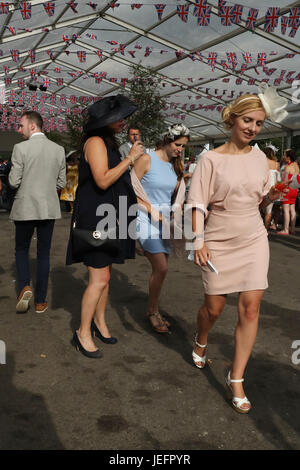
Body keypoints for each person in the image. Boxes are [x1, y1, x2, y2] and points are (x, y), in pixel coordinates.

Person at [188, 89, 288, 414]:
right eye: (248, 120)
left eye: (259, 123)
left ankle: (236, 377)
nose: (253, 128)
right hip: (217, 240)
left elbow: (260, 200)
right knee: (214, 309)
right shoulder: (210, 159)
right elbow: (197, 203)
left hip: (253, 237)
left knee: (250, 309)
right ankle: (201, 337)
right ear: (233, 118)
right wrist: (198, 241)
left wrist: (272, 194)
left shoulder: (261, 157)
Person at [66, 94, 144, 359]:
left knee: (105, 276)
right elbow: (102, 180)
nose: (123, 122)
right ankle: (82, 332)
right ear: (106, 121)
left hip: (107, 216)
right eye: (119, 118)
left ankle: (99, 323)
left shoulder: (106, 142)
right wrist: (130, 158)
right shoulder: (96, 141)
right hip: (95, 218)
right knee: (98, 279)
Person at [132, 123, 189, 333]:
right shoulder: (147, 159)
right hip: (143, 219)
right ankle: (153, 311)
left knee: (161, 270)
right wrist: (148, 208)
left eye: (183, 146)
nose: (180, 150)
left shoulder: (175, 166)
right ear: (166, 140)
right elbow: (129, 189)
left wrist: (176, 214)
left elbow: (176, 197)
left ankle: (152, 309)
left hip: (164, 222)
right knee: (162, 267)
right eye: (177, 144)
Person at [9, 111, 66, 313]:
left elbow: (13, 181)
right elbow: (61, 183)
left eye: (21, 125)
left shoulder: (20, 148)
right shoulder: (58, 150)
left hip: (25, 207)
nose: (18, 129)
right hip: (48, 208)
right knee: (44, 254)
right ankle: (41, 301)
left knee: (21, 250)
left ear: (33, 126)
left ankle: (25, 286)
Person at [277, 149, 299, 236]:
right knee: (292, 210)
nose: (283, 157)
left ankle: (286, 229)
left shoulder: (287, 167)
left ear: (288, 157)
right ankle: (293, 229)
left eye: (284, 155)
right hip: (295, 190)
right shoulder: (296, 166)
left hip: (288, 190)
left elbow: (284, 181)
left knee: (286, 210)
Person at [263, 146, 280, 231]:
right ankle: (265, 230)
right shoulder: (277, 164)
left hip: (262, 187)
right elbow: (279, 179)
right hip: (272, 189)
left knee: (256, 210)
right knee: (268, 212)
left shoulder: (262, 162)